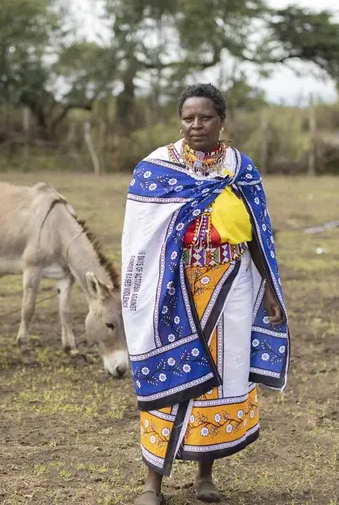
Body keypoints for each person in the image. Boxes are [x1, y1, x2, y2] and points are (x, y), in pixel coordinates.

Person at [120, 83, 290, 504]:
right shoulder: (156, 169)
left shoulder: (240, 169)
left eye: (205, 117)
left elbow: (257, 234)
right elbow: (141, 239)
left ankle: (204, 476)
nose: (196, 125)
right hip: (174, 287)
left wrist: (269, 288)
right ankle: (151, 484)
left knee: (219, 376)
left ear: (221, 121)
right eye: (188, 118)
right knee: (170, 376)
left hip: (231, 281)